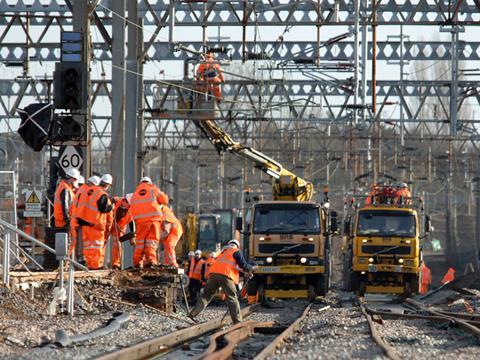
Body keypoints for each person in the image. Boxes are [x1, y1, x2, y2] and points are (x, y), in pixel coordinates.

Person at [189, 239, 257, 324]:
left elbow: (232, 266)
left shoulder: (222, 253)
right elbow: (243, 265)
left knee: (206, 295)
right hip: (225, 275)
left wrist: (246, 272)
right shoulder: (236, 251)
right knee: (232, 297)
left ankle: (193, 313)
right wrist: (252, 268)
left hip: (213, 275)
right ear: (237, 246)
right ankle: (237, 321)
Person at [129, 176, 169, 268]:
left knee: (140, 243)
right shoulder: (153, 189)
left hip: (140, 222)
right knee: (151, 242)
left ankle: (137, 262)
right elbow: (165, 200)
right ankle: (151, 261)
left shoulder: (135, 194)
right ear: (149, 182)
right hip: (153, 220)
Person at [74, 175, 113, 269]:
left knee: (87, 246)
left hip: (84, 223)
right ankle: (95, 266)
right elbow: (103, 208)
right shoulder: (101, 193)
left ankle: (89, 265)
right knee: (97, 246)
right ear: (108, 185)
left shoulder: (86, 191)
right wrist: (111, 206)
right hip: (96, 224)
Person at [69, 175, 100, 258]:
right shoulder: (86, 190)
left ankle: (73, 260)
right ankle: (79, 259)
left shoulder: (82, 189)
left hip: (76, 218)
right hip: (81, 219)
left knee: (75, 242)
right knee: (80, 241)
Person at [109, 196, 135, 269]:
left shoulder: (130, 209)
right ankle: (99, 262)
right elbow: (109, 201)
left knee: (117, 244)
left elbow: (131, 222)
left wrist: (132, 235)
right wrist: (111, 203)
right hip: (110, 223)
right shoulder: (117, 200)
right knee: (103, 241)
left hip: (120, 226)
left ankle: (116, 264)